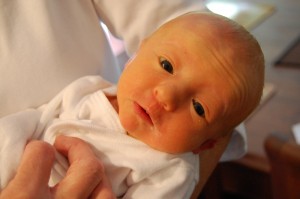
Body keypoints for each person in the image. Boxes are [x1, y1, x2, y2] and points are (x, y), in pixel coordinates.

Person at [0, 12, 265, 198]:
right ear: (135, 55)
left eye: (199, 108)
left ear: (205, 144)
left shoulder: (169, 170)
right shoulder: (88, 88)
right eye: (166, 65)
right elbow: (34, 120)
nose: (167, 96)